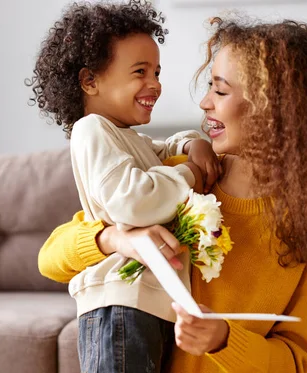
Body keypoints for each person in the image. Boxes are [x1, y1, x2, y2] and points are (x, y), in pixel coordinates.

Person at [39, 15, 307, 373]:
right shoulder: (185, 178)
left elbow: (296, 361)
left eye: (220, 91)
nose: (204, 103)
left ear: (275, 109)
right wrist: (115, 239)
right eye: (210, 87)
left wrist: (224, 340)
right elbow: (51, 257)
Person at [27, 1, 220, 372]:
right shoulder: (92, 130)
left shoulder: (128, 138)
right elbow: (134, 203)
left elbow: (164, 148)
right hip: (119, 304)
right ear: (89, 81)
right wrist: (192, 174)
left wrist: (191, 144)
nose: (155, 84)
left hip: (146, 303)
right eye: (139, 72)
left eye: (157, 72)